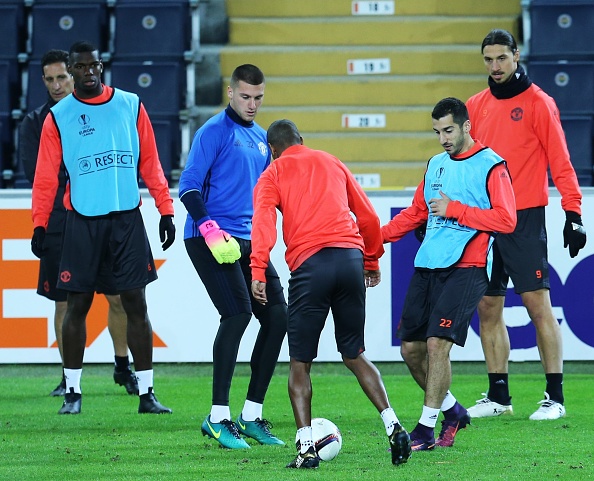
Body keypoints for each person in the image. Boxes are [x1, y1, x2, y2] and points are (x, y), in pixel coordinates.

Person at [250, 119, 412, 469]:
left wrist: (258, 269)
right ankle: (394, 426)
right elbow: (367, 216)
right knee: (355, 353)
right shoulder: (331, 161)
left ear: (272, 152)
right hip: (350, 259)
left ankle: (306, 448)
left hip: (311, 266)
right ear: (302, 140)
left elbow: (263, 224)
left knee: (300, 363)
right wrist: (370, 260)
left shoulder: (272, 174)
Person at [30, 40, 175, 415]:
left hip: (126, 220)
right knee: (76, 305)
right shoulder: (58, 116)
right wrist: (39, 224)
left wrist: (166, 210)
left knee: (135, 305)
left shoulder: (130, 104)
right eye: (82, 67)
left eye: (94, 65)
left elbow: (151, 164)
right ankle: (73, 393)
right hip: (82, 222)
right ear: (73, 71)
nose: (89, 71)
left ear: (101, 66)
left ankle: (146, 393)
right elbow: (45, 177)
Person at [382, 98, 516, 450]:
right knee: (411, 350)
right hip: (429, 264)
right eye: (437, 131)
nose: (442, 138)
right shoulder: (436, 164)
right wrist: (376, 237)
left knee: (436, 344)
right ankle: (453, 411)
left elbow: (506, 219)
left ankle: (425, 430)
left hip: (468, 266)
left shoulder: (491, 165)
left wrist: (456, 209)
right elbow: (416, 212)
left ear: (466, 126)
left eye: (448, 130)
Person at [466, 29, 587, 421]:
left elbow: (561, 160)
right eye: (488, 59)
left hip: (524, 216)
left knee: (538, 304)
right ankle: (499, 395)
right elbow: (465, 165)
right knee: (488, 307)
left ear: (516, 56)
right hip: (485, 219)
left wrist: (574, 213)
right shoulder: (475, 105)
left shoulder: (539, 103)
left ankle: (555, 396)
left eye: (501, 58)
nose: (495, 66)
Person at [178, 64, 287, 449]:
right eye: (245, 96)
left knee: (277, 317)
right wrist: (208, 227)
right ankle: (217, 417)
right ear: (230, 92)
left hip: (248, 243)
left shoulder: (262, 139)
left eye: (258, 98)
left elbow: (268, 199)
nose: (252, 104)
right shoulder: (213, 132)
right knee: (238, 314)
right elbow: (188, 187)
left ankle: (251, 416)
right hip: (209, 238)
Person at [19, 49, 138, 398]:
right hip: (60, 222)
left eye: (62, 77)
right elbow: (35, 173)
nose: (57, 85)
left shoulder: (103, 109)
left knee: (117, 298)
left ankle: (123, 366)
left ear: (74, 76)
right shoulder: (38, 121)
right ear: (43, 81)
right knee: (65, 303)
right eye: (50, 79)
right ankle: (67, 375)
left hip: (103, 215)